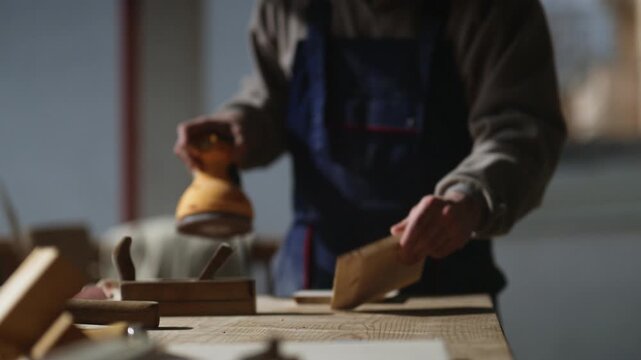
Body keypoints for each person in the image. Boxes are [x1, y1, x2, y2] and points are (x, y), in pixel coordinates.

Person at [175, 0, 566, 298]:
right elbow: (269, 94)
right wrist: (238, 127)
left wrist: (470, 196)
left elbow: (521, 127)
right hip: (311, 284)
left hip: (444, 289)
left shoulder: (489, 9)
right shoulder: (289, 8)